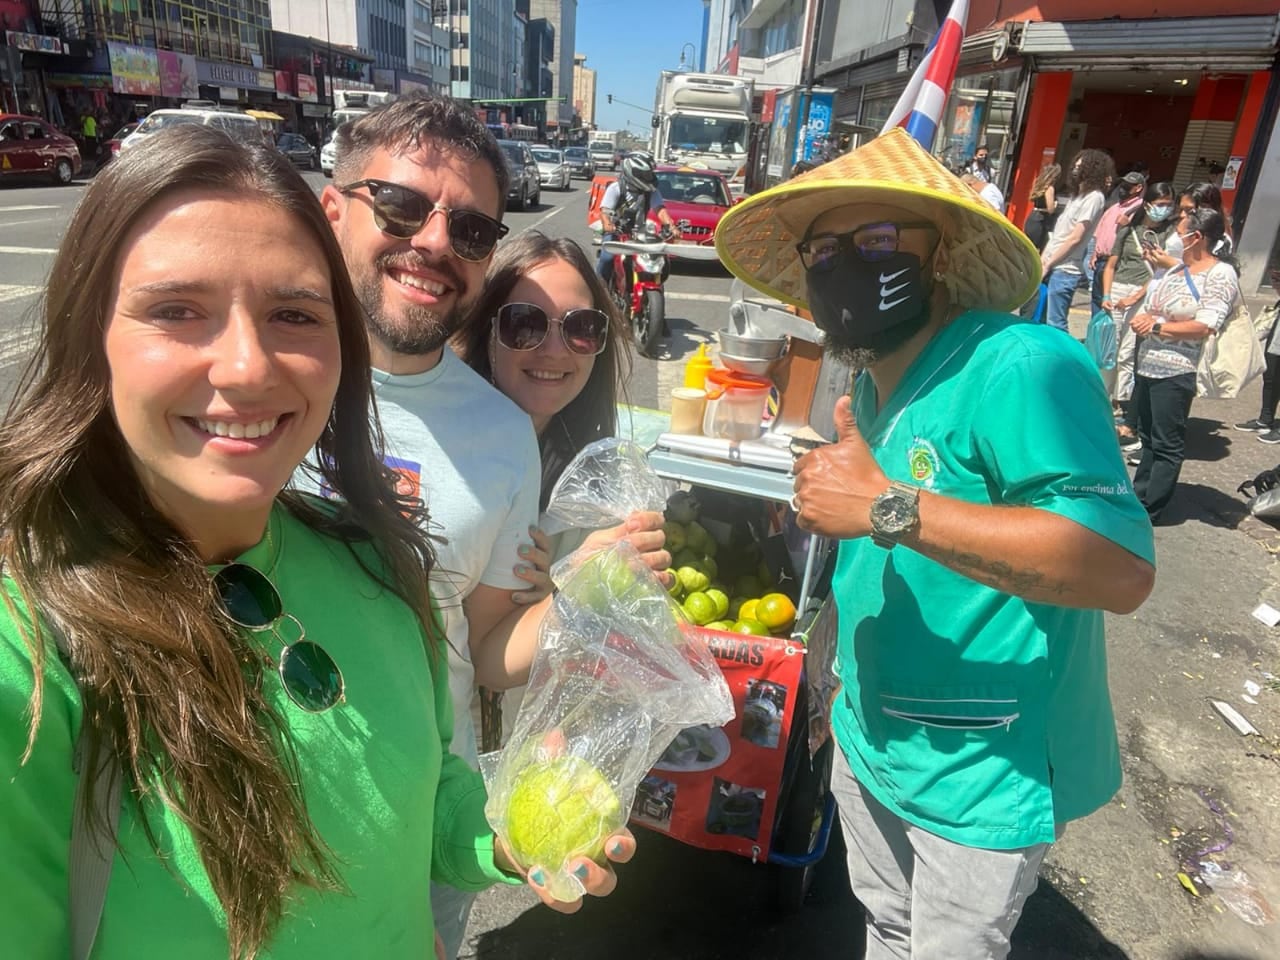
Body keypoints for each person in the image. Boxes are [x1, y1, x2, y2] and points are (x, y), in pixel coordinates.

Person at [0, 125, 632, 959]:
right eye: (177, 311)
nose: (249, 367)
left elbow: (424, 801)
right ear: (92, 332)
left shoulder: (379, 566)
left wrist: (502, 839)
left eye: (293, 314)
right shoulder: (32, 649)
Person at [714, 126, 1156, 960]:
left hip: (984, 767)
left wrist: (889, 508)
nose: (847, 263)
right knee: (885, 929)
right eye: (826, 248)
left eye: (878, 240)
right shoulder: (875, 384)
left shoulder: (1022, 362)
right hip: (873, 739)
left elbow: (1121, 567)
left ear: (941, 253)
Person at [315, 93, 661, 959]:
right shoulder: (268, 375)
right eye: (399, 205)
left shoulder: (501, 436)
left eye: (470, 231)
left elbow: (490, 643)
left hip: (428, 816)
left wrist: (585, 586)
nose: (433, 242)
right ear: (333, 209)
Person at [455, 230, 657, 743]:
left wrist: (611, 584)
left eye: (581, 329)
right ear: (485, 330)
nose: (553, 349)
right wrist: (575, 584)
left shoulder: (594, 486)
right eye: (524, 325)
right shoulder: (445, 457)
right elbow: (469, 648)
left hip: (526, 751)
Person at [1129, 207, 1241, 523]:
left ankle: (1153, 507)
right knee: (1148, 437)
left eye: (1180, 231)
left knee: (1166, 441)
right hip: (1149, 363)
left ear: (1197, 237)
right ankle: (1140, 497)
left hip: (1177, 369)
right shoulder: (1178, 269)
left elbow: (1206, 325)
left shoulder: (1220, 274)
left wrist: (1156, 327)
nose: (1175, 237)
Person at [1102, 181, 1178, 451]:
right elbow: (1111, 265)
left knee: (1128, 352)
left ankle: (1123, 406)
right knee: (1108, 350)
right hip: (1118, 289)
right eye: (1160, 204)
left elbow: (1162, 273)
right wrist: (1107, 295)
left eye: (1168, 205)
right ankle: (1104, 400)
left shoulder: (1171, 235)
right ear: (1147, 204)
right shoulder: (1130, 229)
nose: (1164, 209)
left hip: (1145, 293)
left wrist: (1135, 297)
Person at [1039, 148, 1115, 332]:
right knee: (1041, 321)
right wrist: (1044, 259)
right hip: (1052, 264)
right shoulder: (1076, 196)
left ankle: (1061, 358)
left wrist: (1049, 263)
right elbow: (1059, 234)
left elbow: (1075, 237)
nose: (1075, 169)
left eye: (1081, 167)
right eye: (1075, 165)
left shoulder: (1094, 198)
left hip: (1065, 270)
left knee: (1055, 324)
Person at [595, 152, 680, 284]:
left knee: (660, 258)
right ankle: (599, 289)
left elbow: (660, 211)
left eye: (650, 174)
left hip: (640, 233)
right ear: (633, 172)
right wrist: (608, 225)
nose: (649, 178)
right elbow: (605, 212)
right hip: (617, 232)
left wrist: (671, 226)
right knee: (607, 259)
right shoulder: (616, 188)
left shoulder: (651, 191)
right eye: (645, 175)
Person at [1087, 171, 1146, 315]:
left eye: (1128, 186)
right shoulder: (1115, 207)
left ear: (1138, 188)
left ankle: (1106, 335)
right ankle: (1096, 335)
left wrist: (1128, 224)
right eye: (1123, 184)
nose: (1123, 188)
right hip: (1101, 260)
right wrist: (1095, 253)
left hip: (1116, 262)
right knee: (1097, 300)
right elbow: (1099, 232)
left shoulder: (1140, 208)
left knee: (1109, 303)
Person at [1235, 267, 1280, 443]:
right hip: (1275, 345)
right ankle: (1265, 419)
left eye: (1277, 280)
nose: (1274, 284)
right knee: (1270, 380)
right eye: (1273, 279)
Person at [1022, 163, 1060, 251]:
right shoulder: (1049, 188)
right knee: (1038, 249)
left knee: (1028, 247)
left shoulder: (1038, 183)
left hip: (1032, 216)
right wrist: (1055, 205)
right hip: (1041, 220)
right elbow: (1050, 209)